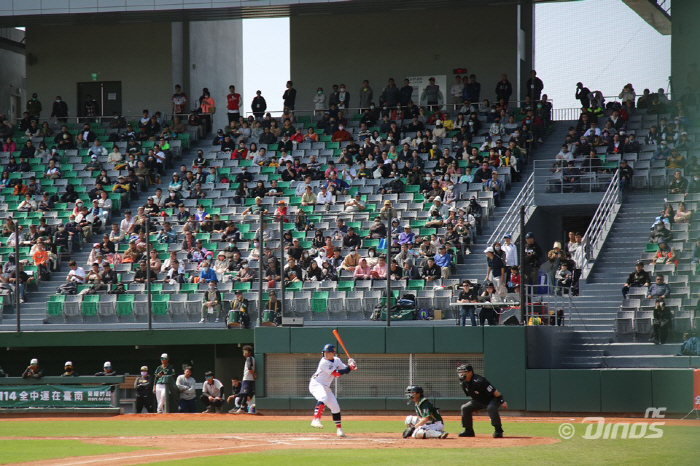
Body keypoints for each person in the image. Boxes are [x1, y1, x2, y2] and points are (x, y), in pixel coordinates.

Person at [309, 344, 357, 437]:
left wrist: (351, 365)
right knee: (323, 397)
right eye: (325, 352)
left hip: (325, 386)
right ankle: (315, 420)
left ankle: (339, 430)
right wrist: (349, 367)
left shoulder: (337, 360)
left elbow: (344, 370)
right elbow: (336, 374)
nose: (326, 354)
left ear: (333, 353)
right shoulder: (323, 362)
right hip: (316, 384)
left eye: (328, 352)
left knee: (335, 407)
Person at [457, 363, 507, 438]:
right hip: (480, 400)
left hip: (493, 399)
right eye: (460, 372)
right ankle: (468, 430)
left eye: (464, 371)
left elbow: (494, 391)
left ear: (470, 372)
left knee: (491, 408)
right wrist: (474, 406)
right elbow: (472, 394)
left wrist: (502, 401)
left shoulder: (479, 381)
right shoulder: (463, 382)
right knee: (465, 408)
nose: (461, 374)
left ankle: (498, 430)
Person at [231, 345, 257, 414]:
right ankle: (237, 407)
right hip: (246, 379)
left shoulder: (249, 358)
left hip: (248, 379)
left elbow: (249, 368)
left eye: (246, 351)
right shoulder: (249, 358)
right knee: (242, 394)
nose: (244, 353)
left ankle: (241, 408)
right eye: (243, 351)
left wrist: (254, 374)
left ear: (249, 352)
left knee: (244, 394)